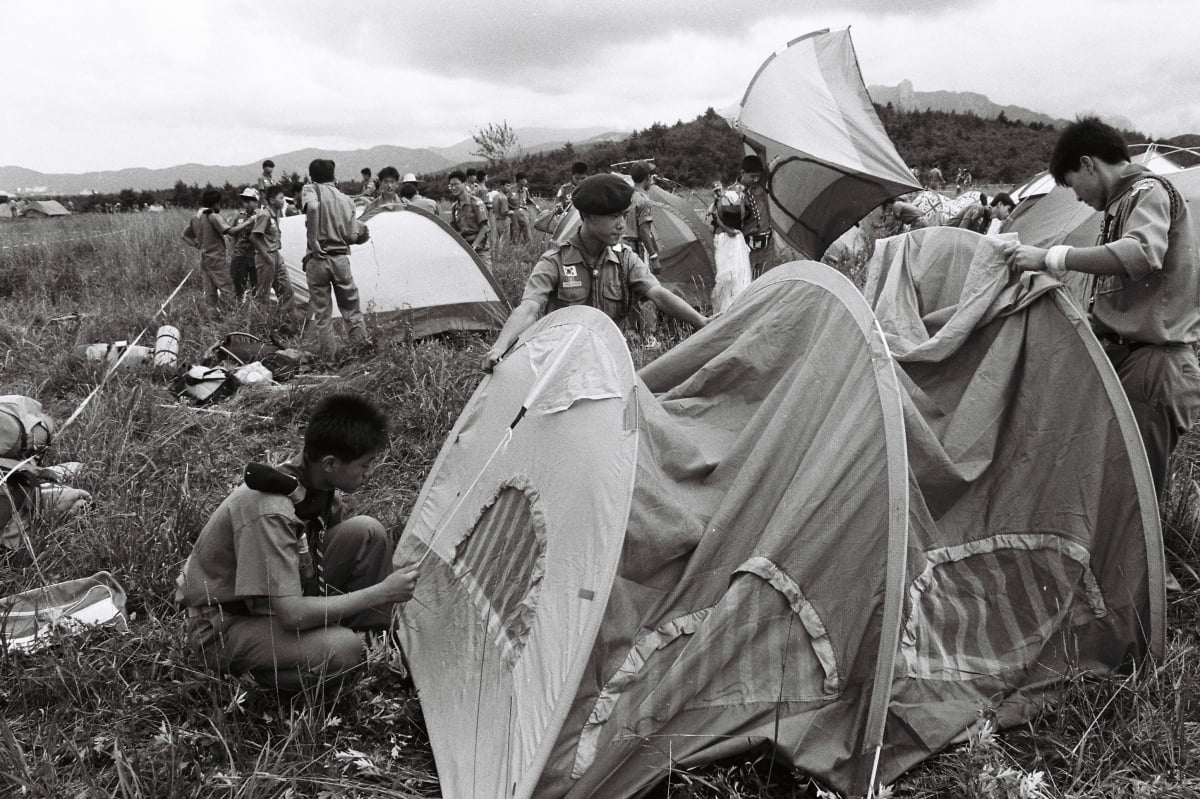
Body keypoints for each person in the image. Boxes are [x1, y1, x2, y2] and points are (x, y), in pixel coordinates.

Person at [1004, 117, 1200, 500]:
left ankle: (1141, 562)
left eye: (1074, 185)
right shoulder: (1123, 204)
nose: (1078, 199)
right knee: (1113, 491)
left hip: (1155, 365)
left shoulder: (1149, 192)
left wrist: (1052, 257)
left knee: (1131, 498)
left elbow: (1142, 253)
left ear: (1089, 163)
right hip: (1136, 361)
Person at [176, 393, 419, 696]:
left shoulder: (314, 483)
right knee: (343, 651)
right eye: (364, 465)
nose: (369, 473)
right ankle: (252, 683)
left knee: (367, 533)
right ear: (330, 463)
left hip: (272, 599)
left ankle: (375, 642)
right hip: (225, 625)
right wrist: (380, 593)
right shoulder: (271, 510)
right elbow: (292, 615)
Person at [481, 174, 709, 371]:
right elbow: (529, 308)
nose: (622, 225)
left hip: (612, 364)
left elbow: (657, 293)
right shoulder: (555, 262)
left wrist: (701, 321)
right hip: (564, 366)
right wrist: (500, 347)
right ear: (587, 216)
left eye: (623, 215)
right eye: (613, 217)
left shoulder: (625, 259)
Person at [301, 158, 373, 360]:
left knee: (323, 315)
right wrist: (363, 236)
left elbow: (313, 208)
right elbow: (351, 237)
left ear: (311, 176)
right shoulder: (347, 200)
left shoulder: (311, 189)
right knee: (352, 310)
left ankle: (330, 363)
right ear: (334, 176)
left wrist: (314, 241)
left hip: (318, 258)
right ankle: (363, 357)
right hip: (340, 259)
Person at [181, 188, 236, 311]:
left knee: (210, 291)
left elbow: (184, 236)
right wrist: (248, 222)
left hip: (204, 259)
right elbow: (230, 231)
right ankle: (229, 314)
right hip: (217, 258)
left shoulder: (195, 218)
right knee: (227, 288)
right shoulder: (213, 216)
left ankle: (212, 316)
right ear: (215, 203)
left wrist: (197, 245)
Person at [252, 186, 296, 321]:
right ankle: (261, 324)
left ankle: (284, 322)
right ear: (271, 200)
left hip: (276, 255)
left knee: (287, 290)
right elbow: (254, 237)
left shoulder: (275, 214)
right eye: (281, 198)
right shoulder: (264, 215)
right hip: (266, 256)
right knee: (263, 294)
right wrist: (266, 256)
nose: (283, 201)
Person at [730, 155, 773, 278]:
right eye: (752, 176)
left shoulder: (761, 184)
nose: (755, 179)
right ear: (742, 173)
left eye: (758, 176)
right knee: (745, 277)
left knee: (765, 277)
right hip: (748, 242)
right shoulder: (734, 192)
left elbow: (762, 150)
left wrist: (745, 138)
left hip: (766, 241)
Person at [448, 170, 490, 265]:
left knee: (484, 277)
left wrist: (474, 246)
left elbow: (485, 227)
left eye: (456, 184)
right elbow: (453, 228)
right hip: (464, 248)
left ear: (464, 184)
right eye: (451, 185)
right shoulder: (455, 207)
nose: (453, 188)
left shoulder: (476, 202)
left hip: (479, 249)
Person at [227, 188, 261, 300]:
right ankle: (238, 305)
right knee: (237, 283)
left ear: (256, 202)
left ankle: (256, 307)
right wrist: (232, 252)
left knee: (257, 284)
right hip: (240, 255)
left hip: (255, 255)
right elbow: (231, 234)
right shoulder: (239, 216)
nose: (245, 203)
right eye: (244, 200)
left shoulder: (262, 216)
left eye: (249, 200)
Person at [950, 192, 1015, 235]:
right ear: (1000, 204)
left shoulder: (988, 221)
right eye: (1008, 210)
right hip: (944, 233)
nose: (1008, 214)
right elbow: (960, 232)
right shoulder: (978, 208)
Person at [508, 172, 539, 244]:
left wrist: (536, 207)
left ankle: (527, 246)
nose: (526, 181)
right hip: (514, 213)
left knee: (527, 233)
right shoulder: (510, 190)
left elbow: (529, 199)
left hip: (524, 214)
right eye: (524, 179)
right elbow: (505, 201)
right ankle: (515, 248)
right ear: (520, 180)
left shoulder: (525, 190)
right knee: (515, 233)